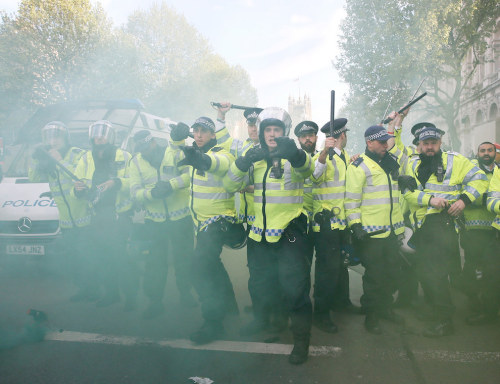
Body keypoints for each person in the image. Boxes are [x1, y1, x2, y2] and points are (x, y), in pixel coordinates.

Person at [224, 107, 314, 365]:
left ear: (284, 132)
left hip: (289, 232)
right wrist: (242, 163)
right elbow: (230, 184)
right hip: (259, 233)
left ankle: (301, 340)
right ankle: (262, 320)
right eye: (268, 130)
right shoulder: (252, 157)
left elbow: (308, 172)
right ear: (261, 133)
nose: (272, 134)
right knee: (259, 283)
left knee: (296, 289)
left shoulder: (293, 156)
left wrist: (296, 155)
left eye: (277, 130)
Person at [402, 125, 488, 337]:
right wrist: (430, 200)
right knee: (426, 272)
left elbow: (480, 179)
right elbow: (408, 193)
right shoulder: (411, 163)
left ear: (440, 143)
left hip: (444, 224)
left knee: (437, 273)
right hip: (421, 227)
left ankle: (445, 320)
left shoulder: (456, 160)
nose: (430, 147)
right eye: (425, 144)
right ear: (419, 145)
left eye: (433, 143)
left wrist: (464, 200)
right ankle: (438, 311)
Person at [177, 116, 239, 344]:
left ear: (213, 134)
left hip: (217, 223)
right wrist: (178, 144)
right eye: (196, 131)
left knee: (199, 269)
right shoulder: (193, 153)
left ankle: (213, 323)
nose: (199, 135)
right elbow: (181, 165)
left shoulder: (223, 153)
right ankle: (231, 309)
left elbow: (215, 163)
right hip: (201, 224)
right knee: (213, 266)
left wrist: (199, 159)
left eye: (204, 131)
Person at [129, 128, 196, 319]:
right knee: (155, 263)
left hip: (181, 217)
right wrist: (151, 194)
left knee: (184, 258)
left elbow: (189, 175)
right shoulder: (135, 161)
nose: (144, 151)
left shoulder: (173, 153)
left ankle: (185, 293)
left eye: (146, 147)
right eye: (140, 148)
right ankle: (155, 301)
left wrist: (171, 185)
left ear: (153, 142)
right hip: (154, 221)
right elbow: (134, 191)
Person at [344, 125, 406, 335]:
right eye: (381, 142)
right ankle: (372, 316)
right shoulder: (358, 166)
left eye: (386, 141)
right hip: (371, 234)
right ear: (369, 142)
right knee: (374, 278)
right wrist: (355, 225)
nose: (385, 145)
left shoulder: (389, 162)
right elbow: (351, 200)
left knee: (392, 273)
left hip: (392, 232)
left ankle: (386, 309)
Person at [73, 120, 135, 308]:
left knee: (122, 258)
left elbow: (134, 181)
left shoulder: (124, 156)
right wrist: (78, 189)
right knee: (104, 257)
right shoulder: (85, 158)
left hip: (119, 217)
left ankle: (131, 298)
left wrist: (116, 182)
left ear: (110, 138)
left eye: (102, 136)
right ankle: (111, 294)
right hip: (97, 216)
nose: (99, 140)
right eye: (96, 137)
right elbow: (76, 186)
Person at [29, 121, 92, 301]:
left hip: (84, 216)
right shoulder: (47, 158)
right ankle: (83, 290)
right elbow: (33, 178)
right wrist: (35, 158)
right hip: (65, 220)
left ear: (65, 138)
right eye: (49, 138)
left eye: (56, 137)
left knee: (87, 257)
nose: (53, 141)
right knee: (73, 258)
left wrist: (60, 160)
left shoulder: (78, 154)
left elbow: (80, 178)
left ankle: (93, 289)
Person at [460, 142, 498, 324]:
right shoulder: (471, 169)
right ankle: (474, 301)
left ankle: (487, 304)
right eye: (482, 150)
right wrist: (485, 200)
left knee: (490, 270)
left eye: (489, 150)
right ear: (477, 153)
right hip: (473, 229)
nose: (486, 153)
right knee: (472, 267)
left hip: (493, 229)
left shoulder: (497, 170)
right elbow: (465, 194)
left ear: (495, 153)